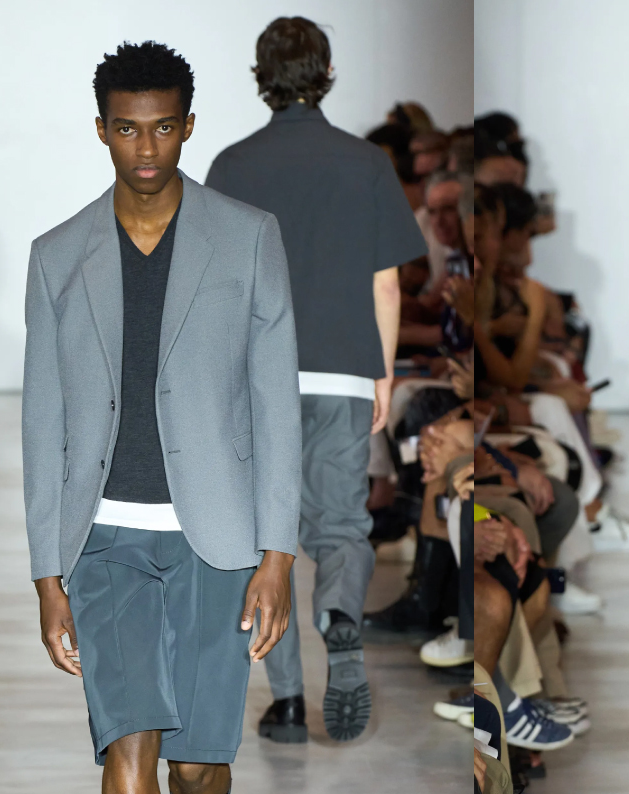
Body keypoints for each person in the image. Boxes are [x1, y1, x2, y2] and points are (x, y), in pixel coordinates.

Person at [22, 41, 300, 794]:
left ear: (187, 126)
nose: (146, 148)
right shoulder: (58, 255)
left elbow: (274, 398)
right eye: (127, 129)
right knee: (127, 740)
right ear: (103, 130)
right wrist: (47, 573)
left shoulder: (248, 237)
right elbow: (42, 421)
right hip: (103, 539)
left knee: (198, 767)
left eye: (163, 127)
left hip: (216, 538)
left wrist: (277, 556)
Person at [205, 16, 428, 743]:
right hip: (343, 367)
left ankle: (289, 702)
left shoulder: (232, 166)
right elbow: (386, 284)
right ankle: (338, 614)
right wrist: (382, 374)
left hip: (256, 376)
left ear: (261, 76)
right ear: (326, 73)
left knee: (262, 539)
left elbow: (216, 289)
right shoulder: (365, 163)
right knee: (341, 526)